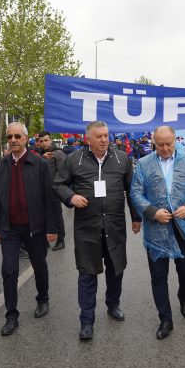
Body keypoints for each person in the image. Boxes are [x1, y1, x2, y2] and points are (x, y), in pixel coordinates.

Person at [54, 121, 141, 341]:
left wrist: (136, 217)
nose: (104, 140)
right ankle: (86, 320)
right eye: (99, 136)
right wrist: (71, 197)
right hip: (87, 227)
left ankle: (113, 304)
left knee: (116, 269)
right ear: (88, 139)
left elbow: (132, 190)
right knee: (87, 273)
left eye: (106, 136)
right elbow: (58, 184)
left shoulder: (122, 158)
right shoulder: (74, 159)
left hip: (115, 225)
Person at [130, 125, 185, 340]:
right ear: (153, 142)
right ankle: (165, 319)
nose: (164, 148)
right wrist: (152, 212)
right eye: (160, 144)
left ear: (175, 141)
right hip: (157, 228)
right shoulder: (144, 164)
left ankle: (183, 296)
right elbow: (136, 192)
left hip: (183, 227)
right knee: (158, 276)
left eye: (168, 144)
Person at [0, 122, 59, 337]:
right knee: (9, 270)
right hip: (9, 228)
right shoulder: (1, 165)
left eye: (17, 136)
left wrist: (52, 228)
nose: (12, 140)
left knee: (39, 266)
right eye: (9, 136)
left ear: (26, 139)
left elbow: (50, 199)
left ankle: (43, 299)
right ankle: (11, 316)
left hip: (35, 227)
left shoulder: (39, 164)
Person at [36, 130, 67, 251]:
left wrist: (58, 188)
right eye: (41, 141)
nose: (44, 143)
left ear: (51, 140)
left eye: (46, 140)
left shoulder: (57, 153)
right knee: (42, 215)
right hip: (41, 190)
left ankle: (61, 240)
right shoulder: (40, 154)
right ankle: (45, 239)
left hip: (54, 190)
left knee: (56, 215)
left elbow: (63, 172)